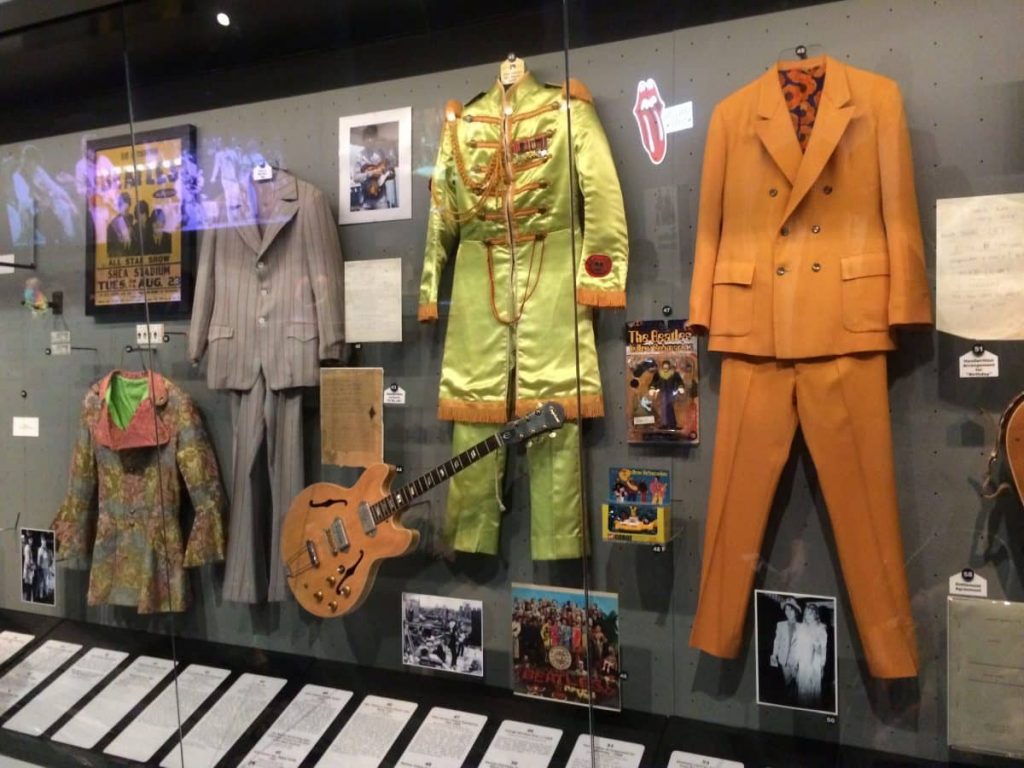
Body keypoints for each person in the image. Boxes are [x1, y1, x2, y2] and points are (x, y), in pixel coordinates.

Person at [351, 125, 396, 210]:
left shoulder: (382, 153)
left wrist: (385, 175)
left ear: (375, 138)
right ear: (364, 140)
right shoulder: (360, 156)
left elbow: (392, 173)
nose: (369, 140)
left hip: (381, 201)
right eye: (367, 137)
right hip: (365, 201)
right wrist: (372, 173)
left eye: (372, 137)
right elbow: (355, 177)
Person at [794, 604, 828, 707]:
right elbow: (797, 647)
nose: (807, 616)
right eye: (806, 614)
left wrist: (822, 665)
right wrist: (796, 662)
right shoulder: (801, 628)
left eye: (810, 613)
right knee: (802, 688)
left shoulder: (821, 629)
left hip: (814, 662)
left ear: (815, 615)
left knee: (813, 688)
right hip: (803, 662)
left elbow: (823, 649)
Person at [770, 598, 801, 702]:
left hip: (797, 662)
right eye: (786, 610)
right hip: (784, 660)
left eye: (790, 609)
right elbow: (777, 641)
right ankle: (789, 703)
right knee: (787, 684)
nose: (788, 612)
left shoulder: (802, 627)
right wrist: (774, 654)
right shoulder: (780, 625)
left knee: (799, 685)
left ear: (796, 611)